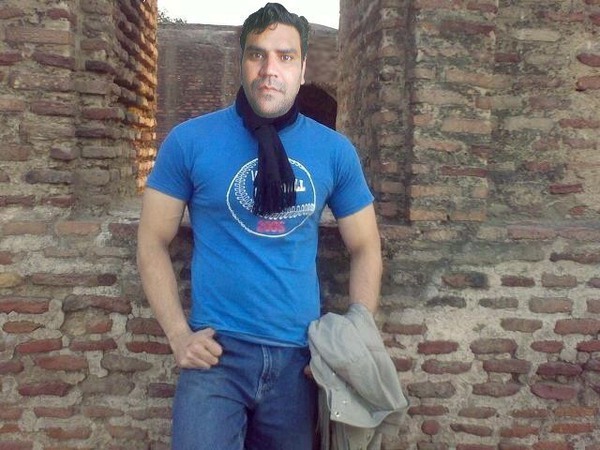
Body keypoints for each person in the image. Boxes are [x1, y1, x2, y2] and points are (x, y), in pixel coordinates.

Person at [137, 3, 382, 449]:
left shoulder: (334, 151)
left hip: (298, 360)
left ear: (302, 69)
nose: (270, 69)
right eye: (257, 54)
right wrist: (178, 335)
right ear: (242, 62)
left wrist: (350, 341)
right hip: (215, 356)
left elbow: (365, 246)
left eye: (285, 56)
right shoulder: (190, 142)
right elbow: (152, 239)